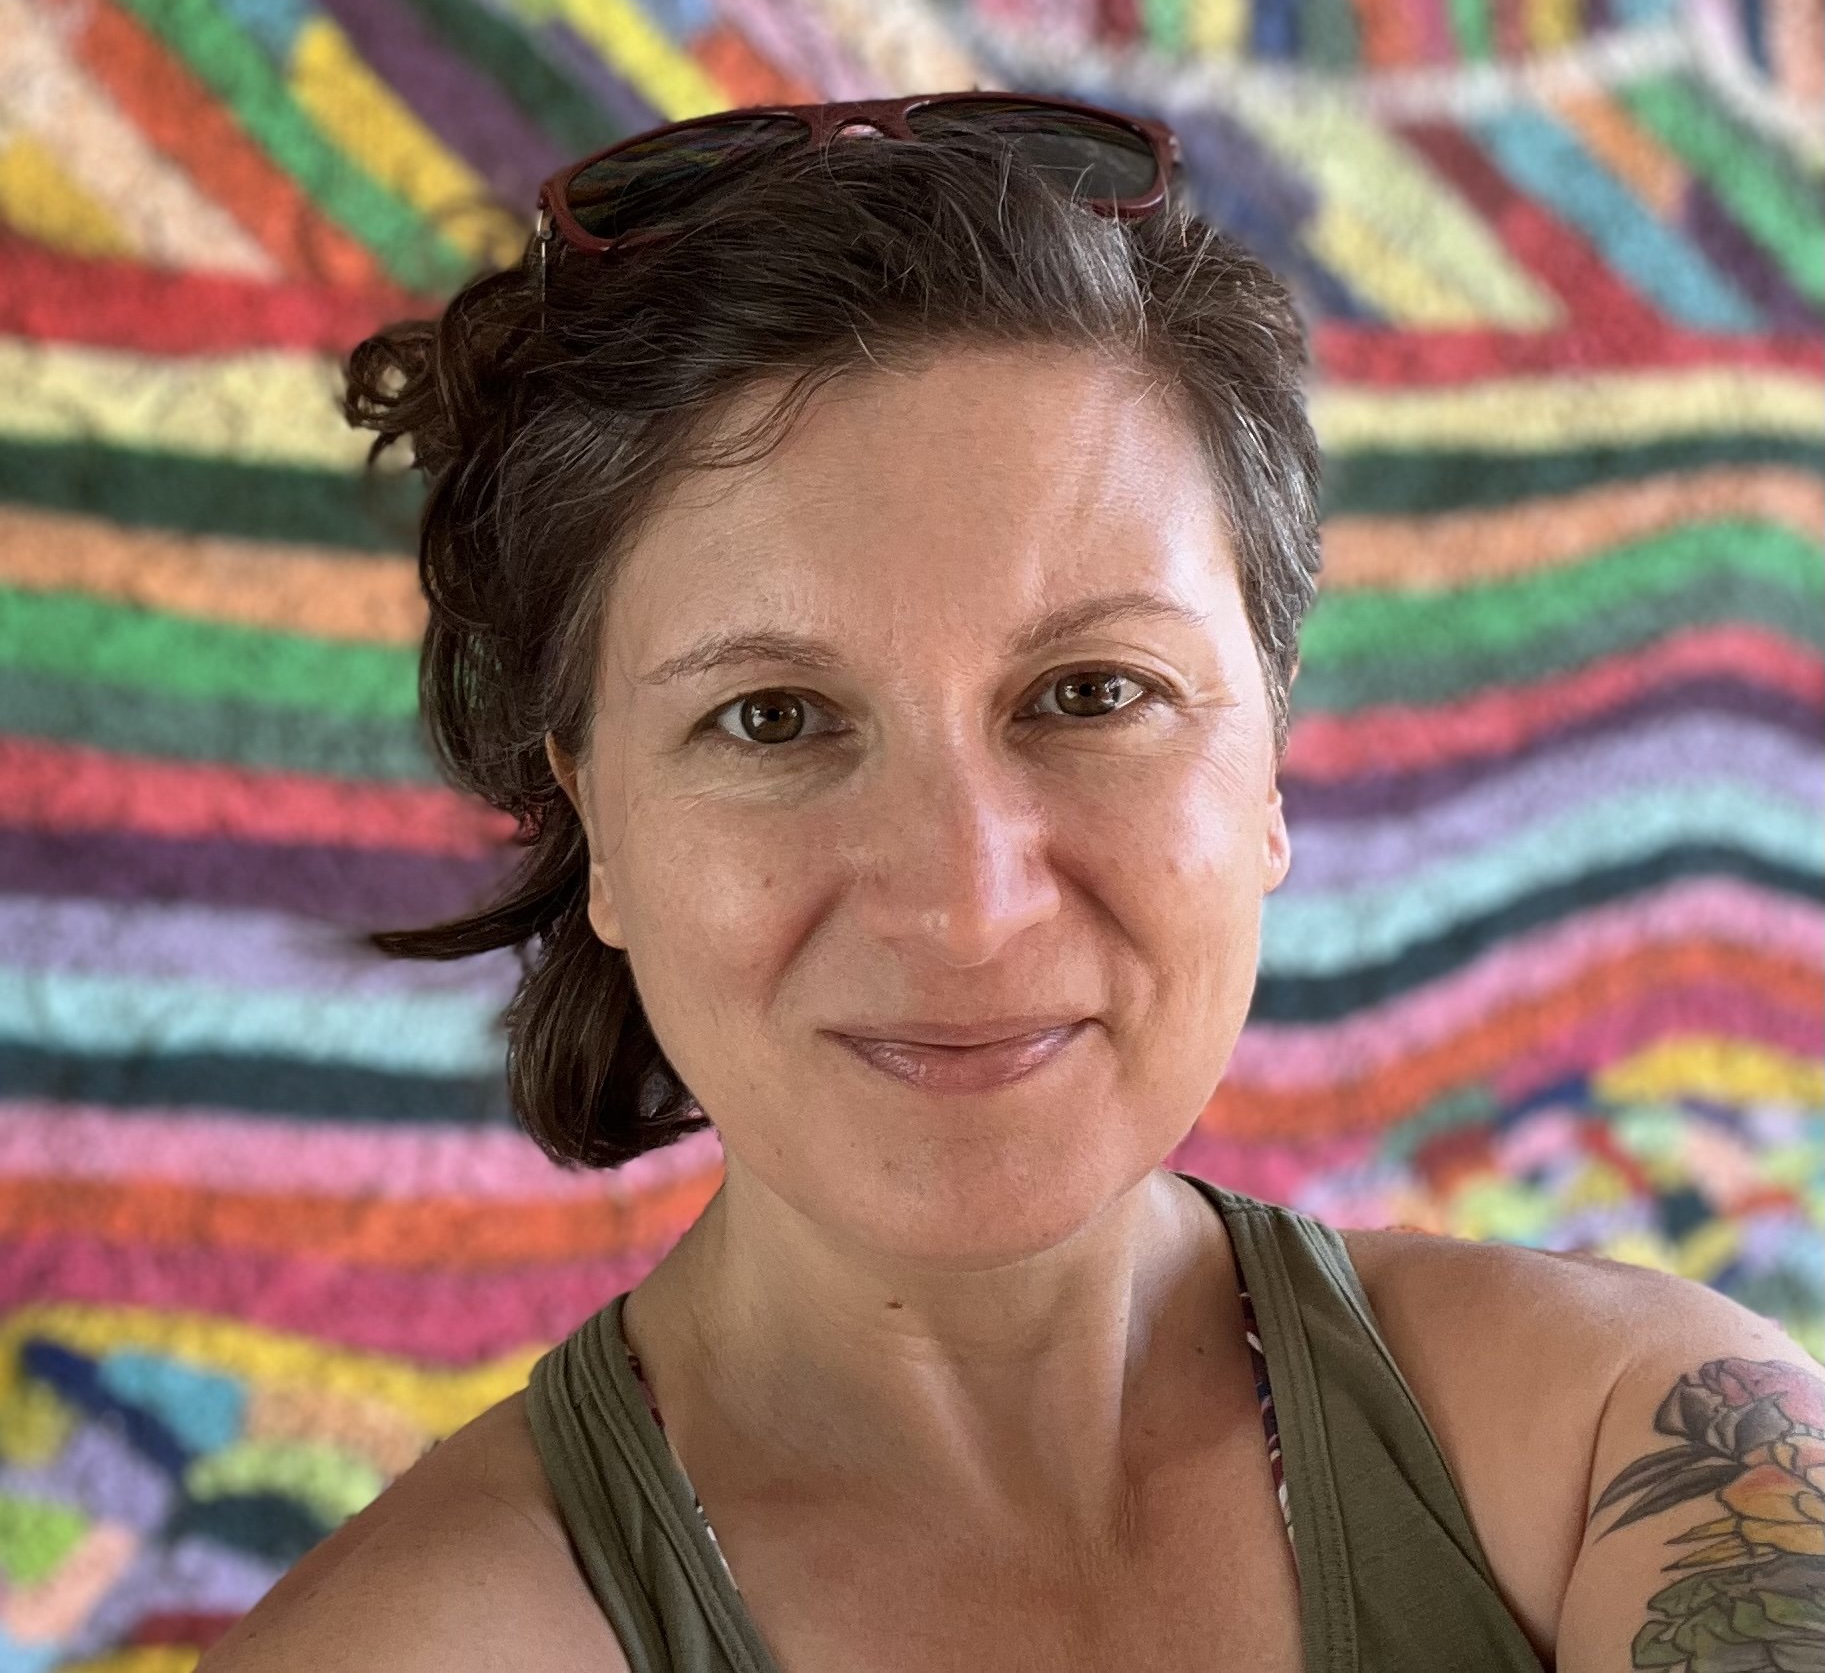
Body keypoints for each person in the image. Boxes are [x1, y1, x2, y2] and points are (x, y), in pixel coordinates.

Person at [200, 95, 1824, 1673]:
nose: (966, 905)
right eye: (770, 716)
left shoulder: (1647, 1445)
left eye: (1091, 692)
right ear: (596, 826)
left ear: (1267, 756)